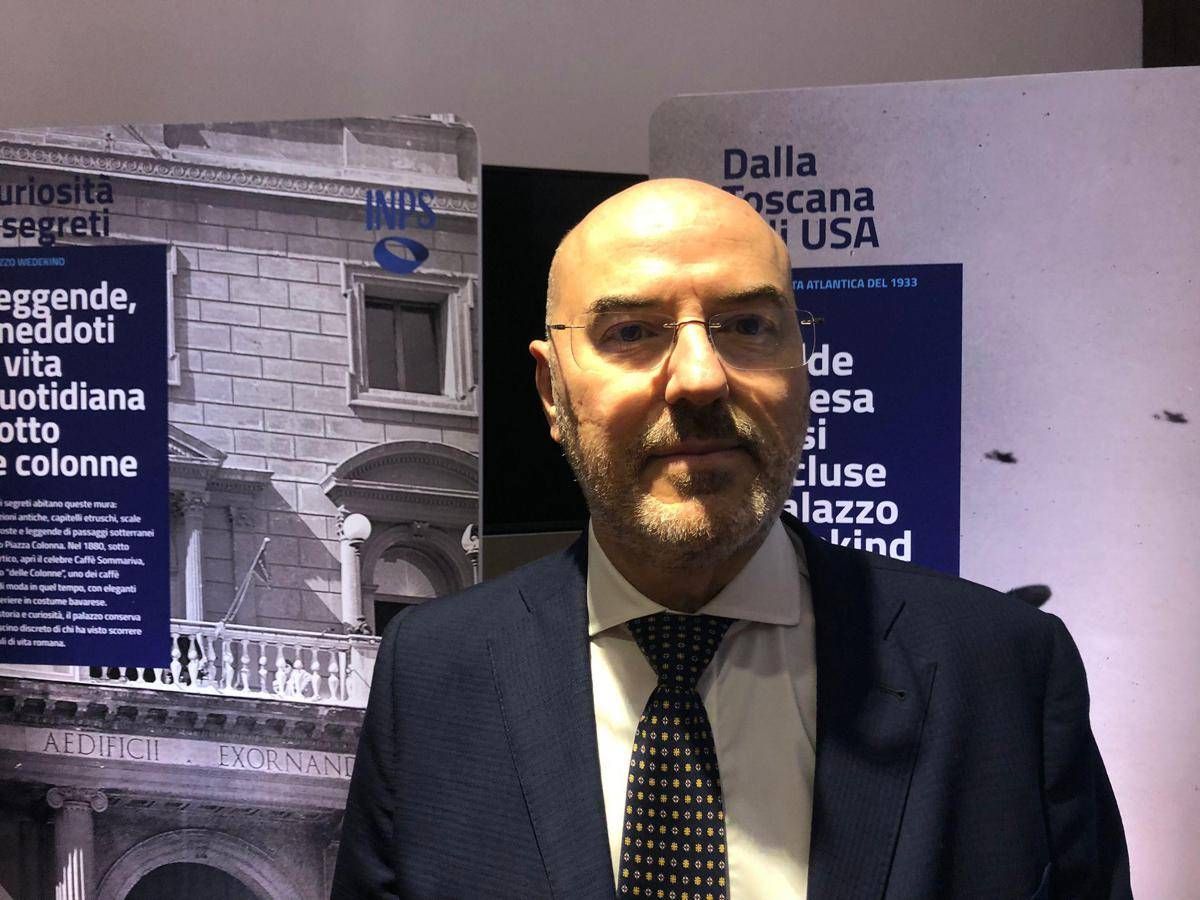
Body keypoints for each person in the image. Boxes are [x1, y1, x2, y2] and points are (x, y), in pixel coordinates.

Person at [332, 179, 1130, 898]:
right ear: (551, 390)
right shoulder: (433, 677)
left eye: (748, 325)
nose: (701, 378)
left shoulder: (1004, 677)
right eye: (631, 332)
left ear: (803, 367)